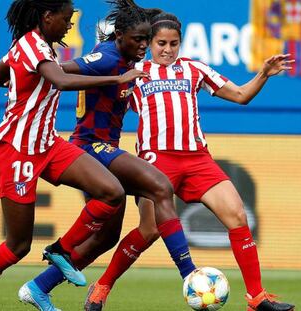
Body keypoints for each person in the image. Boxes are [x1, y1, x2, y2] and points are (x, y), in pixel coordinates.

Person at [0, 0, 150, 310]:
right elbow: (62, 80)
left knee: (111, 192)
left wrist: (22, 84)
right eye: (66, 19)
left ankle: (61, 250)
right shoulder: (32, 45)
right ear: (47, 16)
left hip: (48, 145)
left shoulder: (35, 47)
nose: (69, 25)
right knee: (18, 246)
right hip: (15, 152)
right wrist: (115, 79)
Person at [86, 11, 296, 311]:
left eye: (174, 43)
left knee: (237, 215)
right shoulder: (136, 71)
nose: (167, 50)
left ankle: (256, 297)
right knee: (149, 229)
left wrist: (262, 74)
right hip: (156, 162)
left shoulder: (194, 69)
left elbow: (240, 96)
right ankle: (103, 285)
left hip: (198, 160)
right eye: (161, 43)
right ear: (149, 42)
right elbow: (104, 98)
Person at [17, 2, 198, 311]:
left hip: (103, 147)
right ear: (122, 35)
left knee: (107, 237)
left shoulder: (123, 57)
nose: (145, 46)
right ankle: (191, 276)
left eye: (147, 39)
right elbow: (60, 71)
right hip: (89, 146)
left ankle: (38, 287)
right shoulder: (107, 57)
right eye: (141, 39)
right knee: (160, 185)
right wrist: (19, 75)